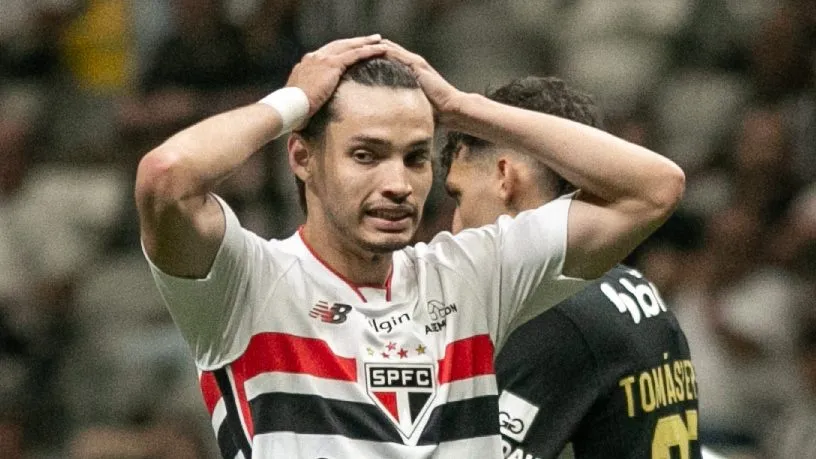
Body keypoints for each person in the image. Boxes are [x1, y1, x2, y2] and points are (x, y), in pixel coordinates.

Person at [135, 36, 685, 457]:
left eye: (416, 157)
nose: (398, 183)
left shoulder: (470, 275)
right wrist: (292, 102)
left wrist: (464, 108)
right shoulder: (246, 284)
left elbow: (653, 188)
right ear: (302, 157)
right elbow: (166, 176)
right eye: (367, 155)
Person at [439, 76, 700, 459]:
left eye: (458, 198)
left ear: (505, 177)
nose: (454, 225)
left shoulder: (548, 314)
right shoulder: (636, 291)